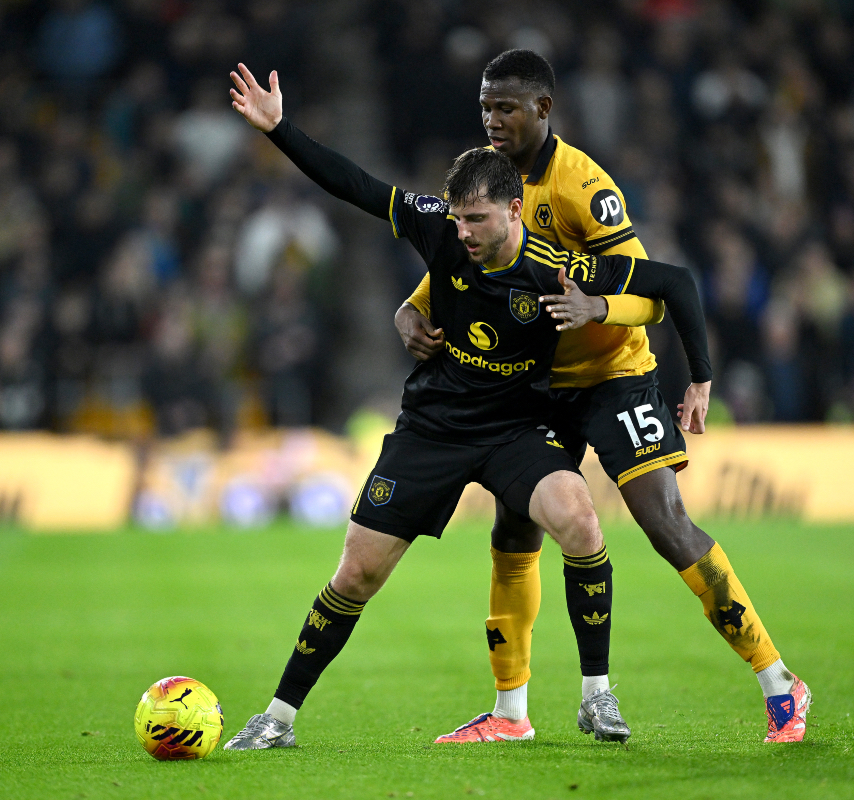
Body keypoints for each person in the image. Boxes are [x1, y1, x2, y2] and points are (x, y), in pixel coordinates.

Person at [222, 63, 711, 749]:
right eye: (458, 218)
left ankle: (596, 698)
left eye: (477, 219)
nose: (466, 233)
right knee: (356, 573)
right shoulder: (440, 230)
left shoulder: (552, 270)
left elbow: (671, 283)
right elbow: (357, 186)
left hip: (514, 431)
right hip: (434, 428)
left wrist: (683, 365)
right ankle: (277, 719)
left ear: (514, 210)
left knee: (579, 520)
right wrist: (281, 130)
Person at [395, 50, 810, 744]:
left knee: (664, 523)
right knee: (515, 530)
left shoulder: (585, 187)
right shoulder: (486, 184)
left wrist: (602, 314)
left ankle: (780, 683)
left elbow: (654, 296)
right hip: (537, 385)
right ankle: (510, 714)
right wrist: (411, 310)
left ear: (543, 110)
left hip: (615, 374)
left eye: (507, 108)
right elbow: (460, 268)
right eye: (486, 107)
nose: (493, 120)